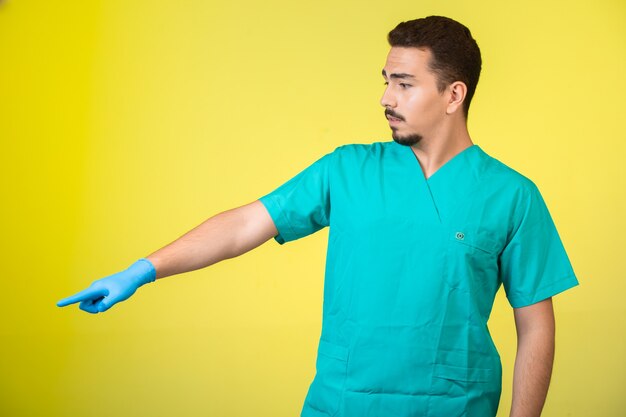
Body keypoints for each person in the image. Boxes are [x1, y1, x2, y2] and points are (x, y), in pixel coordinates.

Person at [57, 15, 579, 417]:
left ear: (453, 94)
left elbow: (535, 327)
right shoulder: (348, 169)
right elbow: (244, 225)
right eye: (385, 80)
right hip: (343, 403)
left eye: (403, 83)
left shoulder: (511, 196)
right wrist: (143, 270)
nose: (385, 97)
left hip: (454, 406)